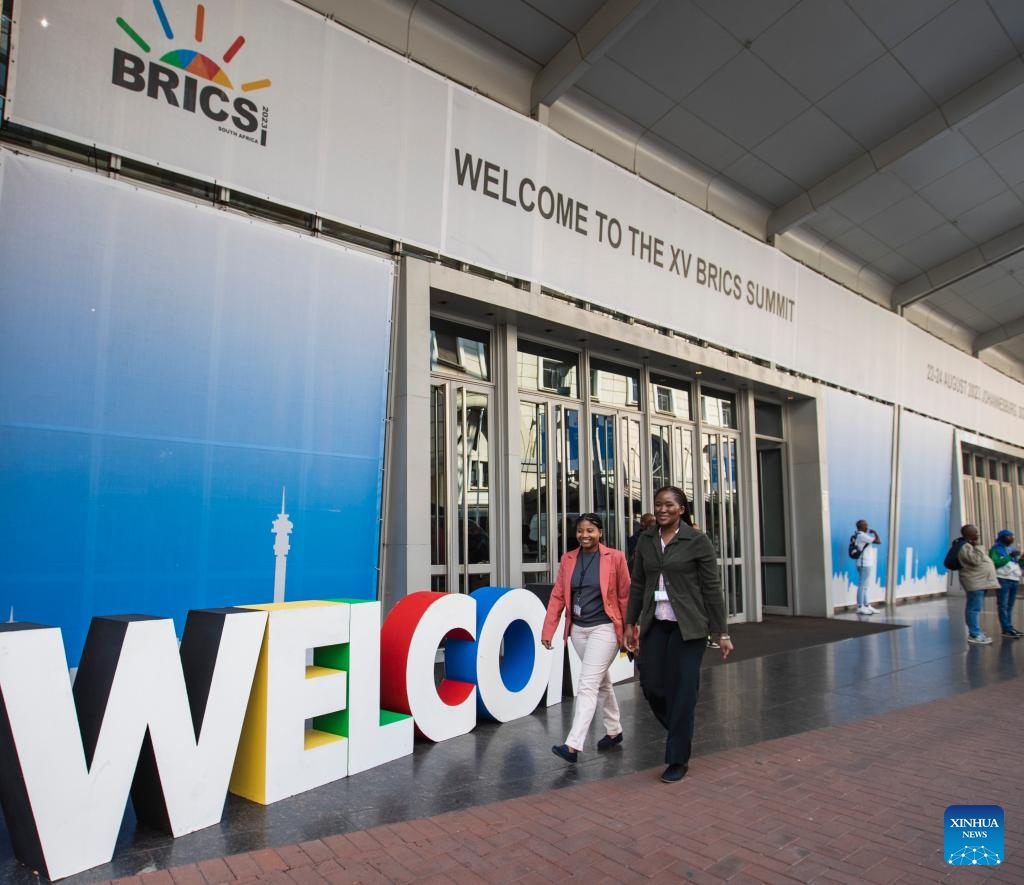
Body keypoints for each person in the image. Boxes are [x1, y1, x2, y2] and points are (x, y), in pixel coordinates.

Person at [624, 486, 733, 783]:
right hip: (655, 623)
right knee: (651, 685)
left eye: (669, 504)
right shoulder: (646, 540)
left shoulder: (697, 541)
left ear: (681, 509)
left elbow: (712, 589)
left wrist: (721, 631)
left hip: (689, 627)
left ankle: (677, 758)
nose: (662, 509)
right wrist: (629, 623)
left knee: (683, 689)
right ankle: (680, 730)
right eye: (658, 504)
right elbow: (637, 585)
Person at [541, 513, 631, 763]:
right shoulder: (568, 559)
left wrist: (629, 630)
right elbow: (558, 595)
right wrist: (549, 629)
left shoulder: (615, 558)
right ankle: (614, 730)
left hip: (605, 629)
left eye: (590, 530)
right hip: (578, 630)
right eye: (580, 531)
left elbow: (625, 596)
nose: (584, 535)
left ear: (600, 532)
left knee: (587, 684)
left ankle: (573, 745)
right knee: (601, 682)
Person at [958, 524, 999, 645]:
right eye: (975, 533)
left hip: (980, 582)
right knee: (973, 609)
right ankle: (974, 634)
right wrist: (979, 546)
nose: (977, 535)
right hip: (974, 582)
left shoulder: (970, 545)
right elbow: (975, 560)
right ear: (968, 534)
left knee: (976, 608)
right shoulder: (964, 546)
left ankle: (976, 631)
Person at [988, 529, 1022, 639]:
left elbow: (1017, 563)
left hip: (1014, 579)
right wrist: (1009, 556)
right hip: (1003, 579)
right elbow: (995, 563)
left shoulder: (1012, 548)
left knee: (1010, 605)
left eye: (1012, 536)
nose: (1012, 538)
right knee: (1003, 605)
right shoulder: (995, 549)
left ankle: (1009, 627)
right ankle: (1006, 628)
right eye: (1009, 536)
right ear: (1002, 537)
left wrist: (1022, 559)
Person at [852, 519, 882, 614]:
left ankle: (866, 605)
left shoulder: (860, 535)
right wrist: (875, 533)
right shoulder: (862, 536)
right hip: (864, 563)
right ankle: (860, 606)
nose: (867, 526)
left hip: (866, 563)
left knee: (865, 586)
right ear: (861, 526)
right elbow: (878, 541)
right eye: (865, 525)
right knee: (862, 585)